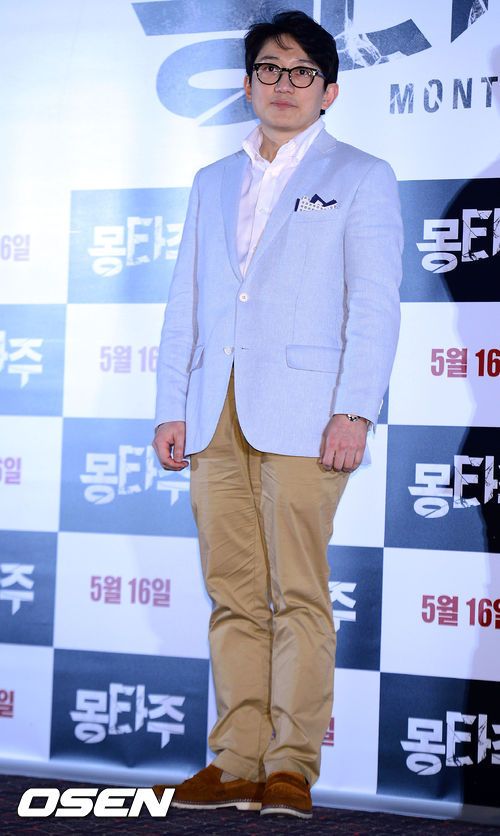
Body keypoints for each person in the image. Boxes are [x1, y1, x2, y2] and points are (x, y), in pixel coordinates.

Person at [152, 10, 403, 820]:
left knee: (299, 594)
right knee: (232, 593)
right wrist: (170, 406)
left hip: (308, 414)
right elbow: (186, 303)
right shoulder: (211, 181)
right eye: (269, 69)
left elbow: (374, 306)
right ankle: (235, 760)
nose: (283, 84)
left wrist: (355, 410)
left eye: (301, 73)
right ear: (247, 83)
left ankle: (290, 765)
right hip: (212, 413)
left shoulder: (361, 175)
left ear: (329, 90)